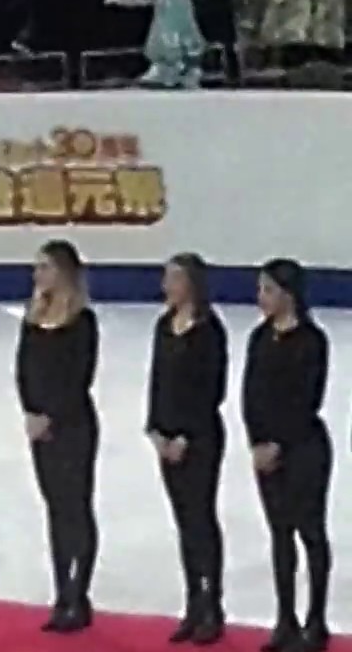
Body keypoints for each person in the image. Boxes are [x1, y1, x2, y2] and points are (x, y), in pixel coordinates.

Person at [244, 258, 332, 652]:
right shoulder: (259, 338)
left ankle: (316, 619)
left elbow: (306, 399)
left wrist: (278, 443)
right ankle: (285, 619)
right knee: (280, 534)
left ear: (288, 294)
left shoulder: (312, 340)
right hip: (267, 450)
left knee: (309, 531)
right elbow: (251, 396)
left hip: (304, 449)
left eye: (267, 290)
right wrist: (257, 442)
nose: (260, 298)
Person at [14, 239, 99, 634]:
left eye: (44, 267)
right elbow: (24, 370)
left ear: (63, 272)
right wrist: (31, 412)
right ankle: (61, 590)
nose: (37, 275)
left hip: (73, 425)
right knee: (54, 509)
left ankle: (79, 594)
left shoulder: (82, 322)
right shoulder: (33, 319)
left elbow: (78, 379)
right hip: (41, 427)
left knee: (75, 506)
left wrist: (50, 415)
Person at [145, 253, 227, 644]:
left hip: (200, 439)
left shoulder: (210, 331)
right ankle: (194, 600)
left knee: (201, 518)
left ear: (191, 284)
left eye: (172, 278)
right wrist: (156, 430)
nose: (165, 285)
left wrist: (185, 437)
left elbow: (211, 391)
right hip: (168, 438)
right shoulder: (164, 326)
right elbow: (157, 382)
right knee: (184, 521)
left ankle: (213, 603)